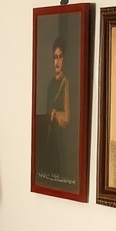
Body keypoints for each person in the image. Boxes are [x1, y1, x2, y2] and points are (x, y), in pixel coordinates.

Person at [45, 36, 70, 179]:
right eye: (55, 57)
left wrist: (56, 114)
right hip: (52, 137)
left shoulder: (67, 82)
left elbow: (67, 118)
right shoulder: (51, 85)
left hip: (63, 138)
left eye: (60, 57)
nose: (57, 61)